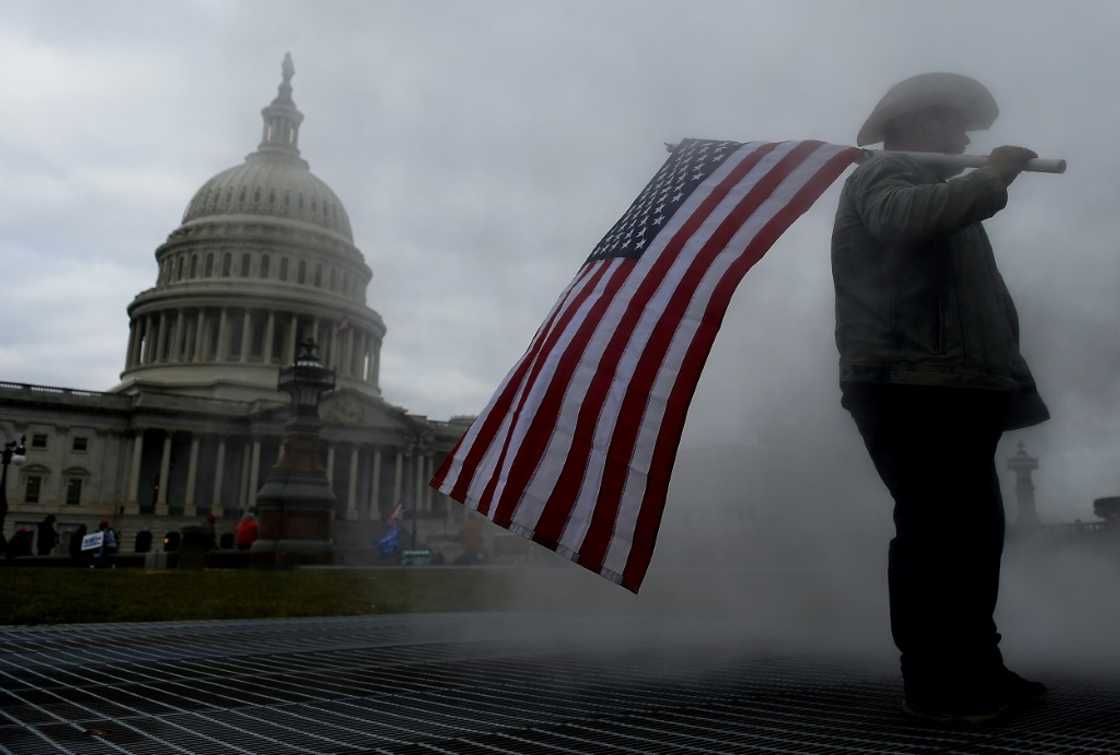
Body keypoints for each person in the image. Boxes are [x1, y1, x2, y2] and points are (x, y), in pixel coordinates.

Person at [833, 73, 1050, 724]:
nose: (963, 138)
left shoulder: (940, 188)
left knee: (975, 535)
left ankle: (977, 666)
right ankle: (934, 681)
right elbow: (903, 223)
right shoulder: (887, 175)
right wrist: (992, 179)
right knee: (934, 534)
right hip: (908, 384)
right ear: (916, 122)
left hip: (957, 386)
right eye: (953, 124)